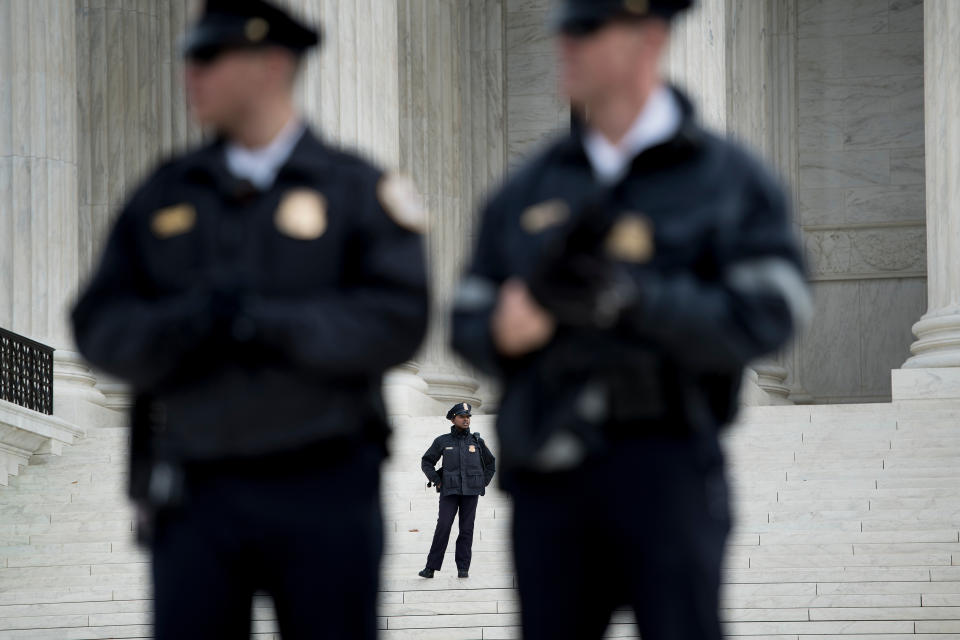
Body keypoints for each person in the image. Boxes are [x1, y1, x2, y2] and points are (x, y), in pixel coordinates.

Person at [451, 1, 811, 639]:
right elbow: (466, 318)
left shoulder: (728, 179)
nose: (564, 40)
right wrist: (500, 331)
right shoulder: (527, 188)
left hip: (668, 463)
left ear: (650, 35)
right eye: (563, 25)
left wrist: (635, 300)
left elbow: (772, 312)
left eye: (587, 27)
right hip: (552, 474)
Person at [71, 1, 428, 638]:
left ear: (271, 66)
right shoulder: (164, 196)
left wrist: (268, 323)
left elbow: (398, 319)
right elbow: (99, 324)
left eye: (209, 57)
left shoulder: (355, 190)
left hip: (322, 483)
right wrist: (187, 323)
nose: (190, 72)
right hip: (194, 490)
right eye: (189, 56)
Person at [418, 402, 496, 579]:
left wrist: (482, 482)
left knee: (466, 529)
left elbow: (491, 463)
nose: (466, 420)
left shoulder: (476, 441)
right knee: (443, 526)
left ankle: (463, 568)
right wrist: (436, 480)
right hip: (449, 491)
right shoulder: (442, 441)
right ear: (453, 419)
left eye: (468, 417)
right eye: (462, 417)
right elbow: (426, 462)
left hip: (471, 492)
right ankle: (431, 568)